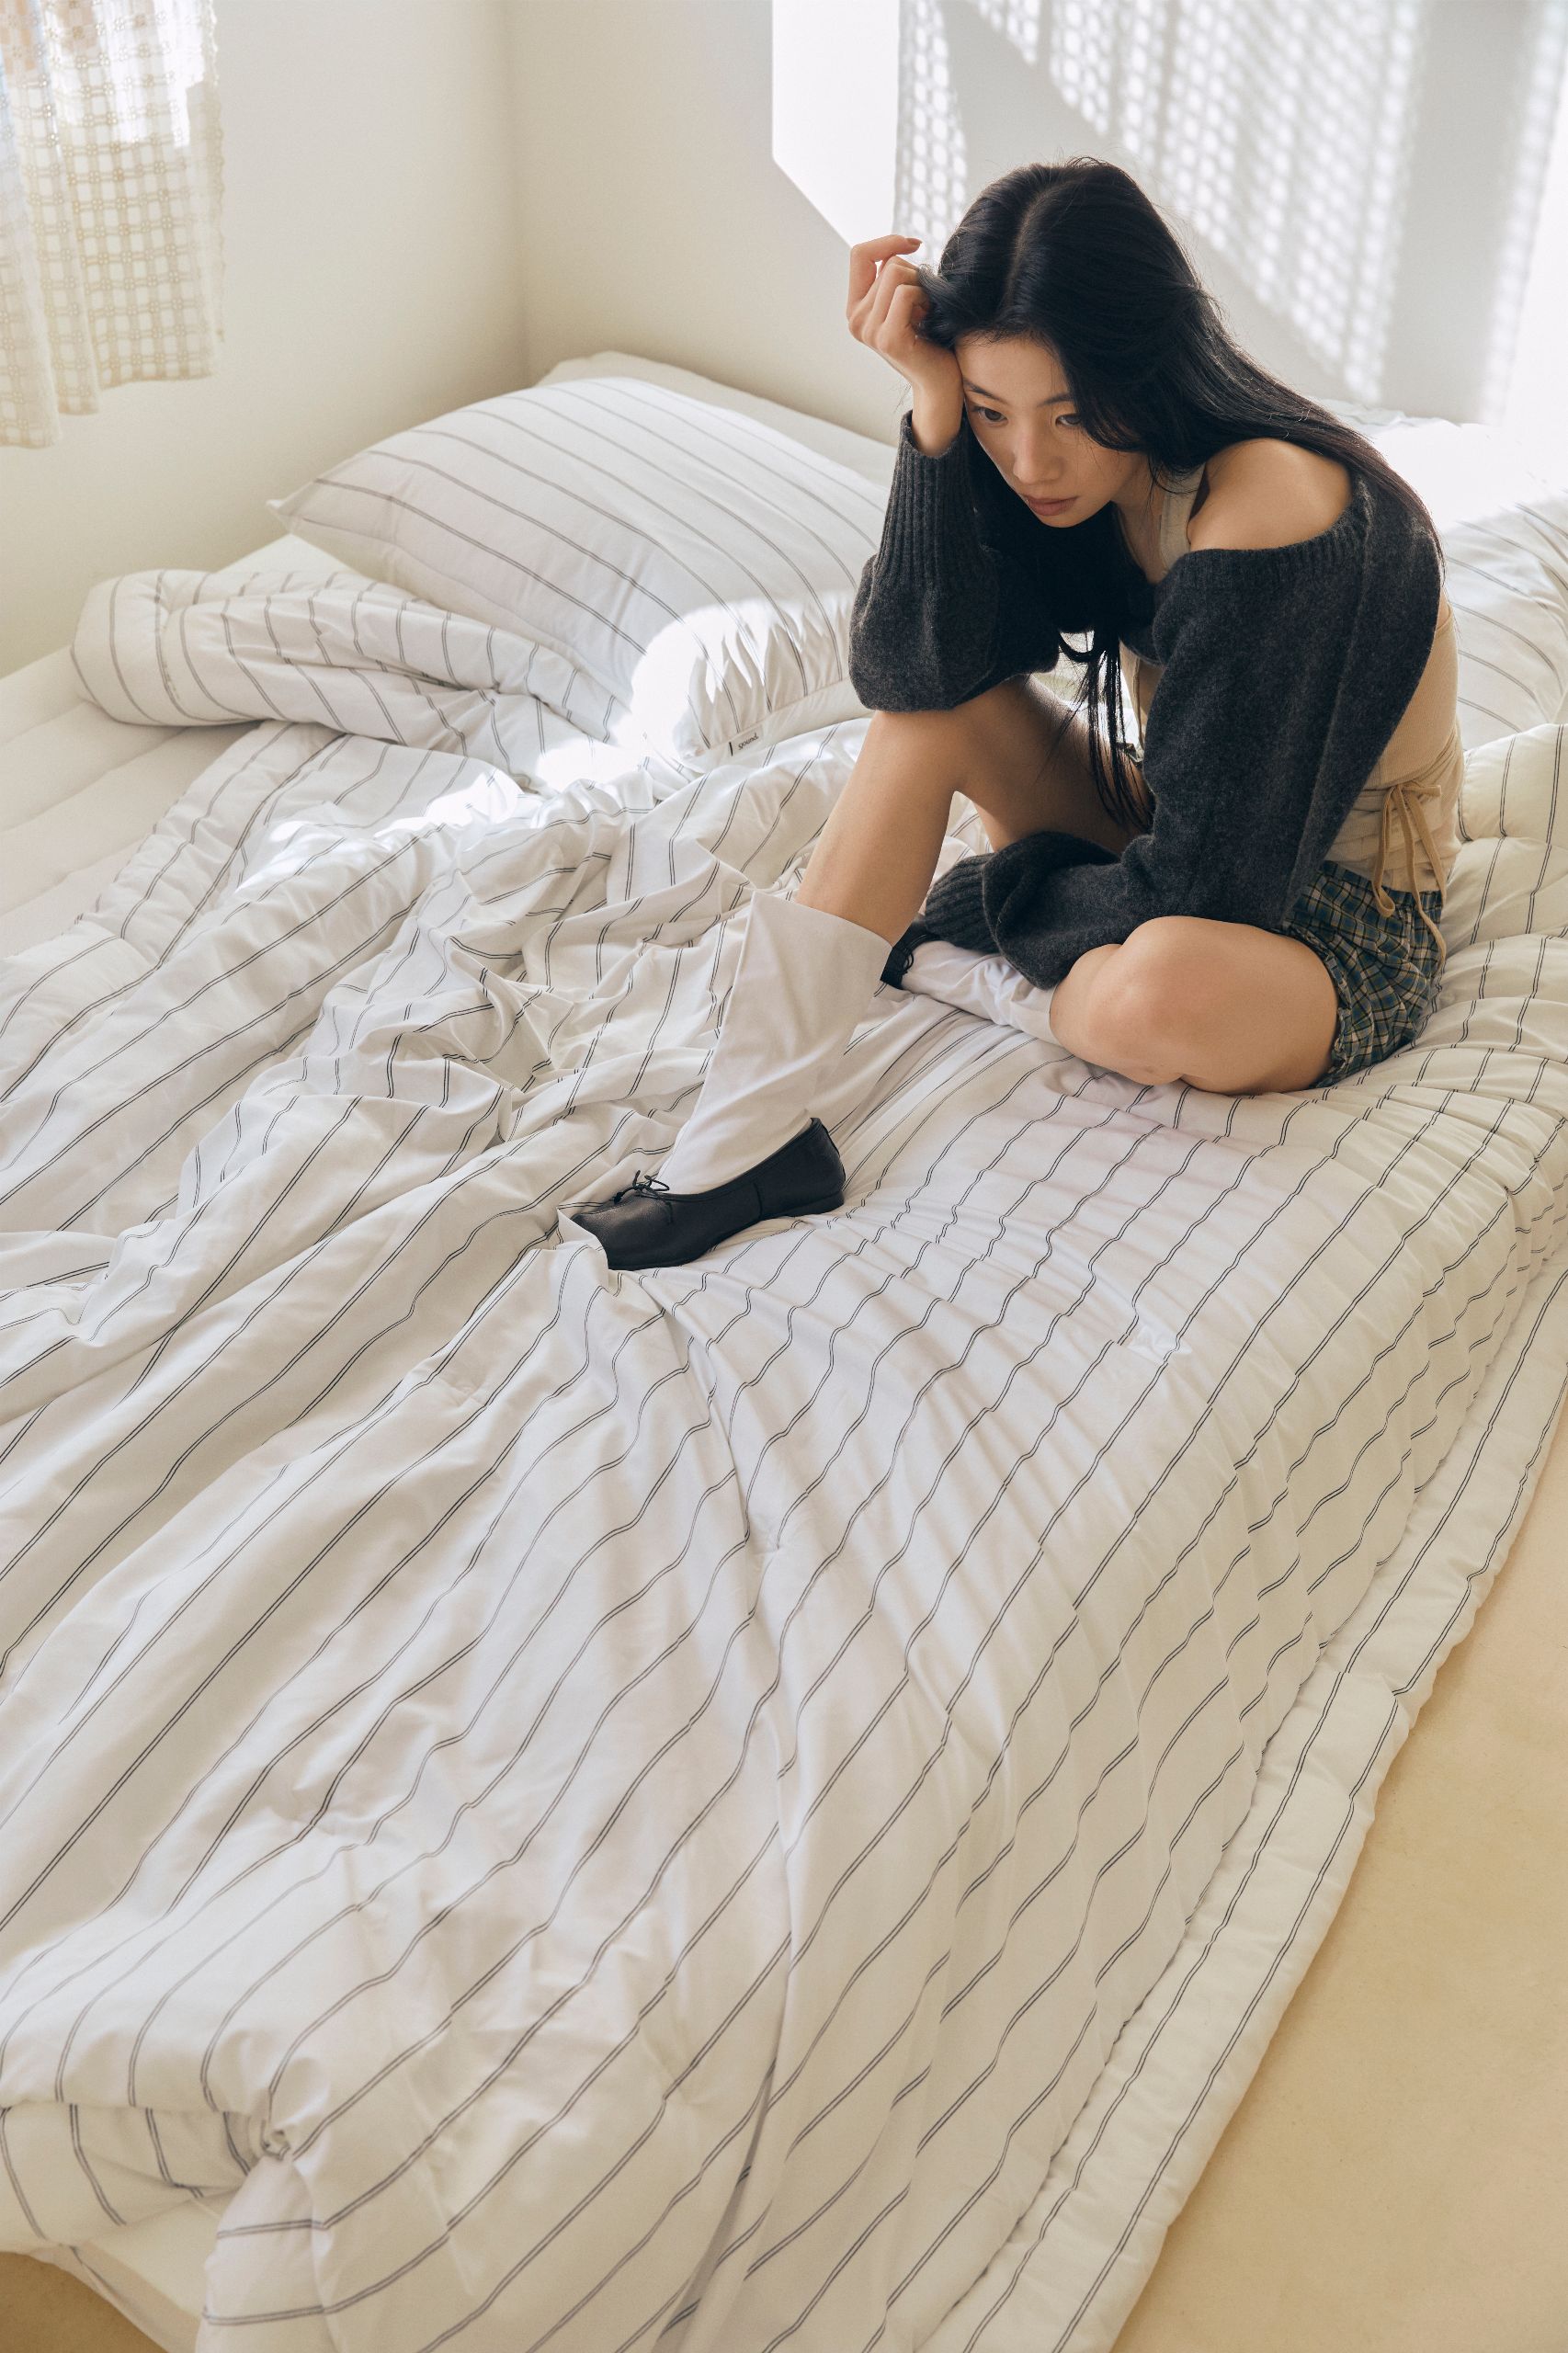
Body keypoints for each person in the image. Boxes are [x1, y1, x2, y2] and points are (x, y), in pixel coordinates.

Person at [574, 157, 1459, 1272]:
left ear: (1144, 366)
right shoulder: (1065, 472)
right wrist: (934, 423)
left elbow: (1207, 894)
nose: (1032, 461)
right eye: (996, 410)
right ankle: (739, 1144)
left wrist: (998, 902)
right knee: (926, 724)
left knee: (1156, 987)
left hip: (1334, 923)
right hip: (1187, 832)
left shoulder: (1268, 508)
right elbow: (911, 670)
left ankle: (976, 977)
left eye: (1070, 414)